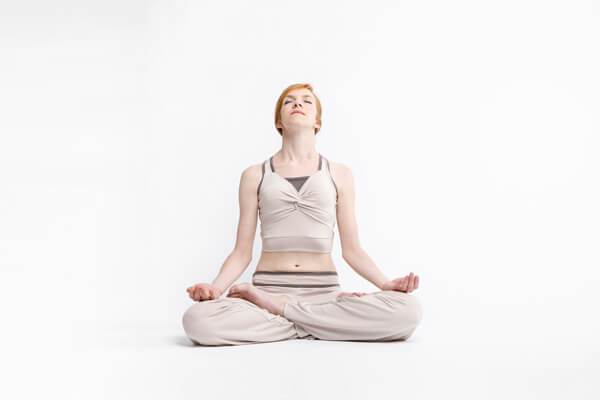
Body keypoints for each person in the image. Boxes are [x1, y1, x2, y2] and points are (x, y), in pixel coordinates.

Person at [182, 83, 422, 346]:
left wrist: (386, 285)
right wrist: (215, 289)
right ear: (279, 121)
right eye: (289, 101)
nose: (298, 104)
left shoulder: (339, 173)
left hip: (322, 296)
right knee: (197, 321)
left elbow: (353, 251)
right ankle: (320, 324)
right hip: (267, 292)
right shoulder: (254, 174)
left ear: (317, 121)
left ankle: (284, 313)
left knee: (408, 312)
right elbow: (241, 252)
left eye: (307, 101)